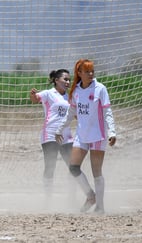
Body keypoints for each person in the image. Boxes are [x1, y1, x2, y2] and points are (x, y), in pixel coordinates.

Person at [56, 58, 116, 214]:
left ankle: (100, 207)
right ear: (79, 73)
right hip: (82, 135)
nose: (91, 73)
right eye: (87, 71)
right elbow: (71, 113)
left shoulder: (100, 89)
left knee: (97, 172)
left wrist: (112, 132)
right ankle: (90, 196)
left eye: (92, 71)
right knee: (73, 167)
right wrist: (60, 129)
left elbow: (107, 111)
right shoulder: (76, 91)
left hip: (98, 135)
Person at [29, 69, 73, 197]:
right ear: (56, 80)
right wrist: (33, 94)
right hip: (50, 134)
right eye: (65, 79)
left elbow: (74, 114)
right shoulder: (49, 93)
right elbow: (35, 99)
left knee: (73, 166)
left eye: (69, 79)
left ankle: (72, 195)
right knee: (50, 166)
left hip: (66, 135)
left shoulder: (69, 97)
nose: (68, 82)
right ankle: (48, 197)